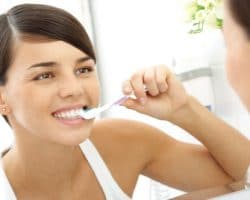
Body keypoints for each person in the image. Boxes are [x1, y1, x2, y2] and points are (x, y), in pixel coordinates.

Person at [0, 2, 249, 199]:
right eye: (44, 75)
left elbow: (242, 178)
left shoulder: (119, 142)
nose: (73, 89)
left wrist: (184, 109)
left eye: (83, 70)